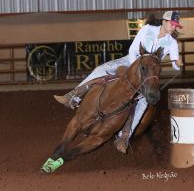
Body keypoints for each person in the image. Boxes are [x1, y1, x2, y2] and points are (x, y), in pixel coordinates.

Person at [54, 11, 184, 153]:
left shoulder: (172, 42)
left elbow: (175, 65)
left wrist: (178, 63)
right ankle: (74, 96)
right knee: (101, 70)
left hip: (148, 73)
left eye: (176, 26)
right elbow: (133, 49)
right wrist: (134, 69)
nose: (173, 28)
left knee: (144, 102)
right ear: (164, 22)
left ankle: (124, 137)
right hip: (131, 62)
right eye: (172, 24)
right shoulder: (147, 30)